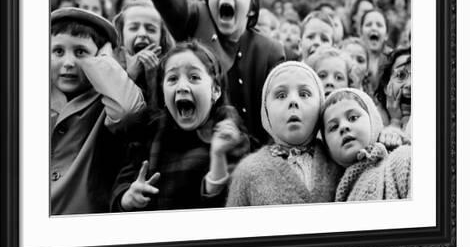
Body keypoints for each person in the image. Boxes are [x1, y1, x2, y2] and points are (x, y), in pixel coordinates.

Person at [119, 0, 285, 150]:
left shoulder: (269, 51)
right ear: (207, 0)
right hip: (196, 154)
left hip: (253, 157)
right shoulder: (196, 19)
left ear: (252, 8)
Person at [110, 41, 249, 211]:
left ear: (215, 91)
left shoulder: (229, 133)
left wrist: (218, 156)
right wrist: (127, 198)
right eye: (173, 78)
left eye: (194, 77)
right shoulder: (149, 130)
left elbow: (232, 205)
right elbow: (121, 187)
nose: (182, 87)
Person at [50, 7, 145, 215]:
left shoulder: (105, 99)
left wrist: (105, 61)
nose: (68, 63)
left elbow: (127, 110)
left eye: (80, 52)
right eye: (58, 51)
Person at [226, 62, 342, 207]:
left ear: (320, 105)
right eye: (281, 95)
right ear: (266, 111)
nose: (293, 101)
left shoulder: (338, 157)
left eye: (304, 94)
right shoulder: (247, 171)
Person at [321, 88, 411, 201]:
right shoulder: (330, 193)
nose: (343, 127)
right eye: (334, 127)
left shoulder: (401, 159)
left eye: (353, 118)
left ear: (374, 122)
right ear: (327, 147)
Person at [113, 0, 174, 108]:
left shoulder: (171, 70)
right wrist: (130, 76)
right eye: (133, 28)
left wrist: (152, 79)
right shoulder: (110, 67)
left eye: (151, 29)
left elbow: (157, 120)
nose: (142, 33)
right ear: (121, 34)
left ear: (162, 37)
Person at [375, 47, 412, 133]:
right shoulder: (371, 121)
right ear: (385, 86)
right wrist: (395, 121)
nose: (410, 84)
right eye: (401, 75)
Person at [360, 9, 390, 94]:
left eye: (379, 25)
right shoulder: (352, 58)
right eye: (368, 24)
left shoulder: (393, 60)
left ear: (386, 34)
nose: (373, 28)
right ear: (361, 32)